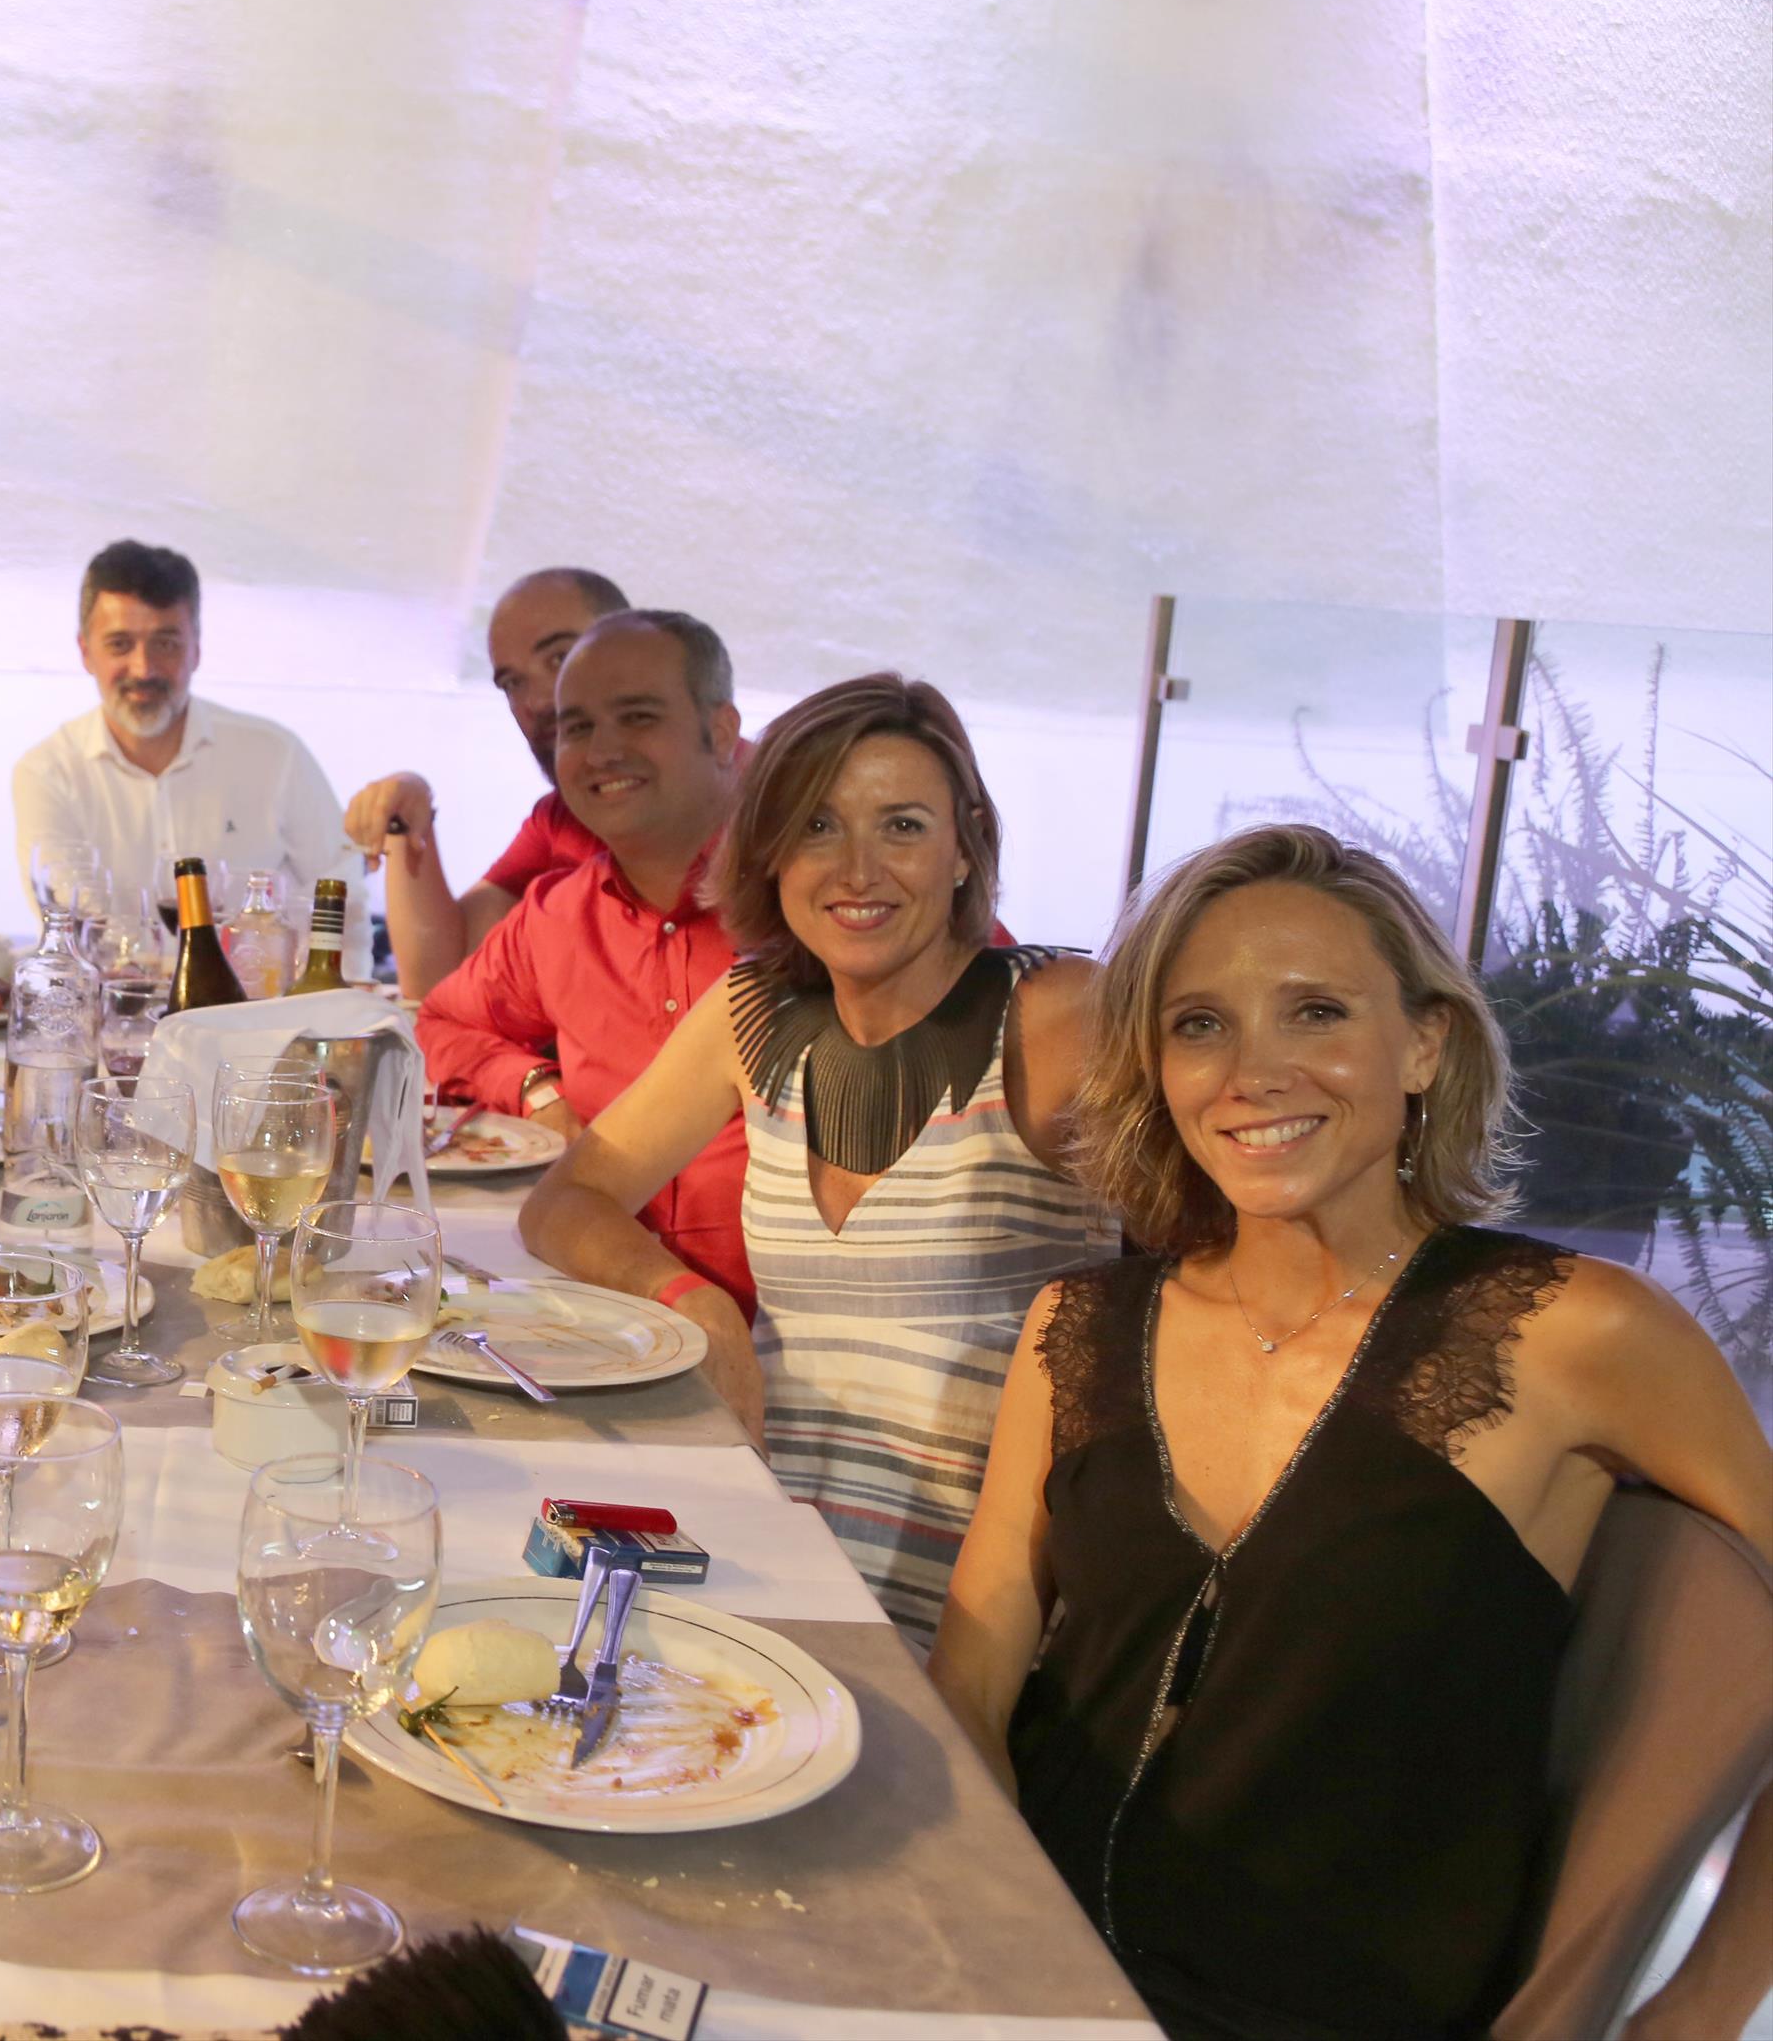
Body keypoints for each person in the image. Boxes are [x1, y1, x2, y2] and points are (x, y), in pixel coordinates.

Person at [929, 824, 1773, 2041]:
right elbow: (971, 1675)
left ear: (1425, 1042)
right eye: (1200, 1024)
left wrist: (1705, 1999)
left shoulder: (1578, 1333)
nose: (1252, 1073)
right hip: (1017, 1970)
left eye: (1315, 1012)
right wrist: (989, 1926)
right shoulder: (1077, 1325)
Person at [520, 674, 1111, 1643]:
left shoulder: (1058, 1015)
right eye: (818, 827)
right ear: (772, 852)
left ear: (966, 845)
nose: (858, 870)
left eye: (903, 826)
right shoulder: (751, 1012)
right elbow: (562, 1202)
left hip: (984, 1632)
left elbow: (1215, 1278)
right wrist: (694, 1302)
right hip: (774, 1579)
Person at [418, 609, 755, 1310]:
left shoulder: (820, 901)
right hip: (610, 1316)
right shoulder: (558, 915)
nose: (601, 752)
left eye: (637, 718)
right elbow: (439, 1024)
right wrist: (535, 1089)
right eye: (577, 728)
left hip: (807, 1344)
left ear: (722, 732)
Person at [10, 538, 365, 925]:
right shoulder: (48, 774)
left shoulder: (276, 756)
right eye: (120, 644)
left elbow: (343, 899)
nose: (143, 668)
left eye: (165, 644)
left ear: (196, 649)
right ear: (85, 652)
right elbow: (68, 924)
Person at [344, 566, 625, 996]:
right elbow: (441, 976)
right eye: (513, 683)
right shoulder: (559, 818)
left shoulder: (732, 810)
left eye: (559, 659)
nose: (536, 701)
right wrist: (407, 811)